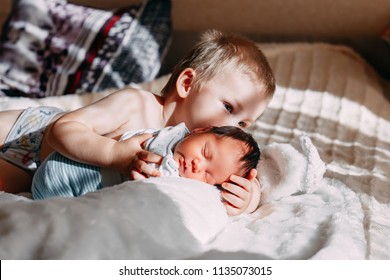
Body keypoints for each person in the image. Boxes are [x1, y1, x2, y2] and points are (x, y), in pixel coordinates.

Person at [0, 29, 275, 216]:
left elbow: (241, 176)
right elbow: (62, 129)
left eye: (243, 125)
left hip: (42, 176)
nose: (233, 128)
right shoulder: (137, 105)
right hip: (31, 136)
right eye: (228, 107)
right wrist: (114, 154)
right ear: (187, 83)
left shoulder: (199, 156)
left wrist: (249, 199)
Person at [32, 123, 261, 215]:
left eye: (206, 174)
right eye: (205, 152)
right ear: (200, 130)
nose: (196, 165)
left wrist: (247, 200)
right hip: (63, 173)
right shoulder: (165, 142)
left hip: (78, 190)